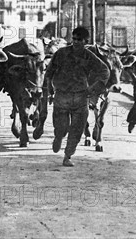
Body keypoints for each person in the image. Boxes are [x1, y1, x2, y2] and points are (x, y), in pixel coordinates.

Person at [45, 26, 109, 167]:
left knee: (77, 129)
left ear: (86, 41)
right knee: (61, 127)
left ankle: (68, 156)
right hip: (62, 96)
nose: (75, 42)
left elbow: (105, 71)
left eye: (79, 40)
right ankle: (58, 137)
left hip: (81, 97)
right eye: (74, 39)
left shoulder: (89, 56)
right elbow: (49, 72)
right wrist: (50, 89)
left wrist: (93, 89)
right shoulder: (61, 53)